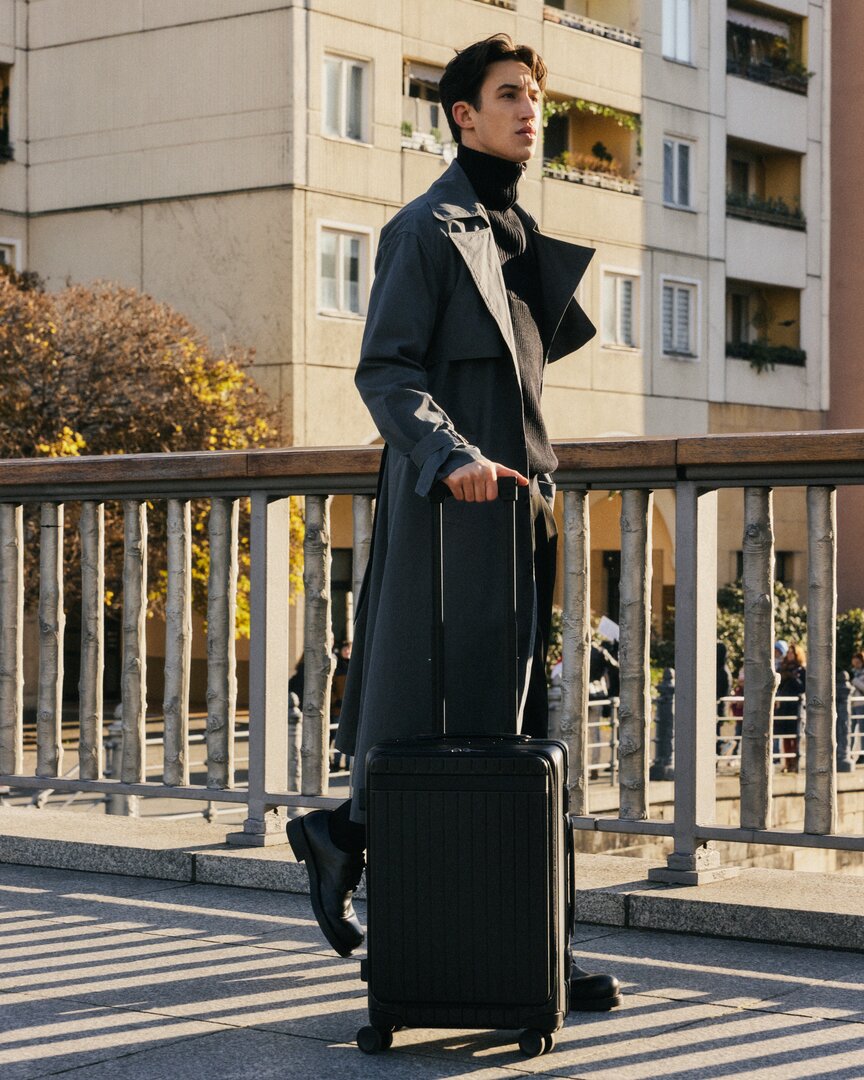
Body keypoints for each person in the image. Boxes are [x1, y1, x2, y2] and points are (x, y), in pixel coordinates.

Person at [287, 34, 620, 1012]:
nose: (531, 113)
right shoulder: (426, 230)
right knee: (445, 722)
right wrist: (452, 455)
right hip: (449, 518)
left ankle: (526, 947)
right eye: (510, 96)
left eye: (538, 100)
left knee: (519, 735)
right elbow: (386, 370)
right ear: (462, 114)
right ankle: (384, 872)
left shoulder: (515, 236)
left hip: (521, 516)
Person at [774, 642, 806, 772]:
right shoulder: (783, 667)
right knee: (785, 736)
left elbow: (802, 687)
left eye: (792, 653)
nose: (790, 655)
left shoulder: (801, 669)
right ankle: (787, 763)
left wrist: (791, 677)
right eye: (789, 653)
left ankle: (794, 763)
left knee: (795, 736)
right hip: (784, 705)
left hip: (795, 706)